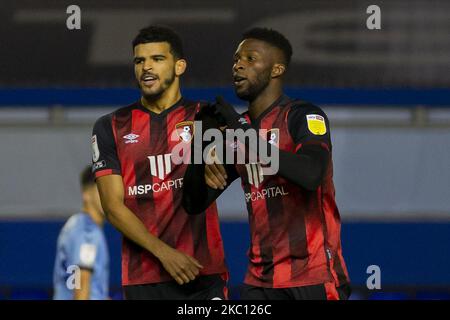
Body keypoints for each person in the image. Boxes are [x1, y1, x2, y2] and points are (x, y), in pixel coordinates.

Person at [183, 27, 351, 300]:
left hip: (314, 279)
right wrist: (201, 141)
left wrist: (239, 129)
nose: (238, 65)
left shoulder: (302, 116)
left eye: (251, 58)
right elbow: (194, 201)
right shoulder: (238, 133)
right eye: (237, 59)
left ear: (276, 69)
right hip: (260, 284)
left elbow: (310, 174)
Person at [91, 25, 228, 300]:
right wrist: (164, 253)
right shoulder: (111, 126)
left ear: (179, 66)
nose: (146, 68)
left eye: (157, 59)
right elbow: (112, 207)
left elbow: (234, 171)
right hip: (144, 280)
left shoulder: (207, 117)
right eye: (139, 61)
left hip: (203, 274)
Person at [53, 165, 109, 300]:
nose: (107, 195)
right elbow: (82, 287)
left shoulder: (76, 226)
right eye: (100, 189)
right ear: (86, 194)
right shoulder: (88, 233)